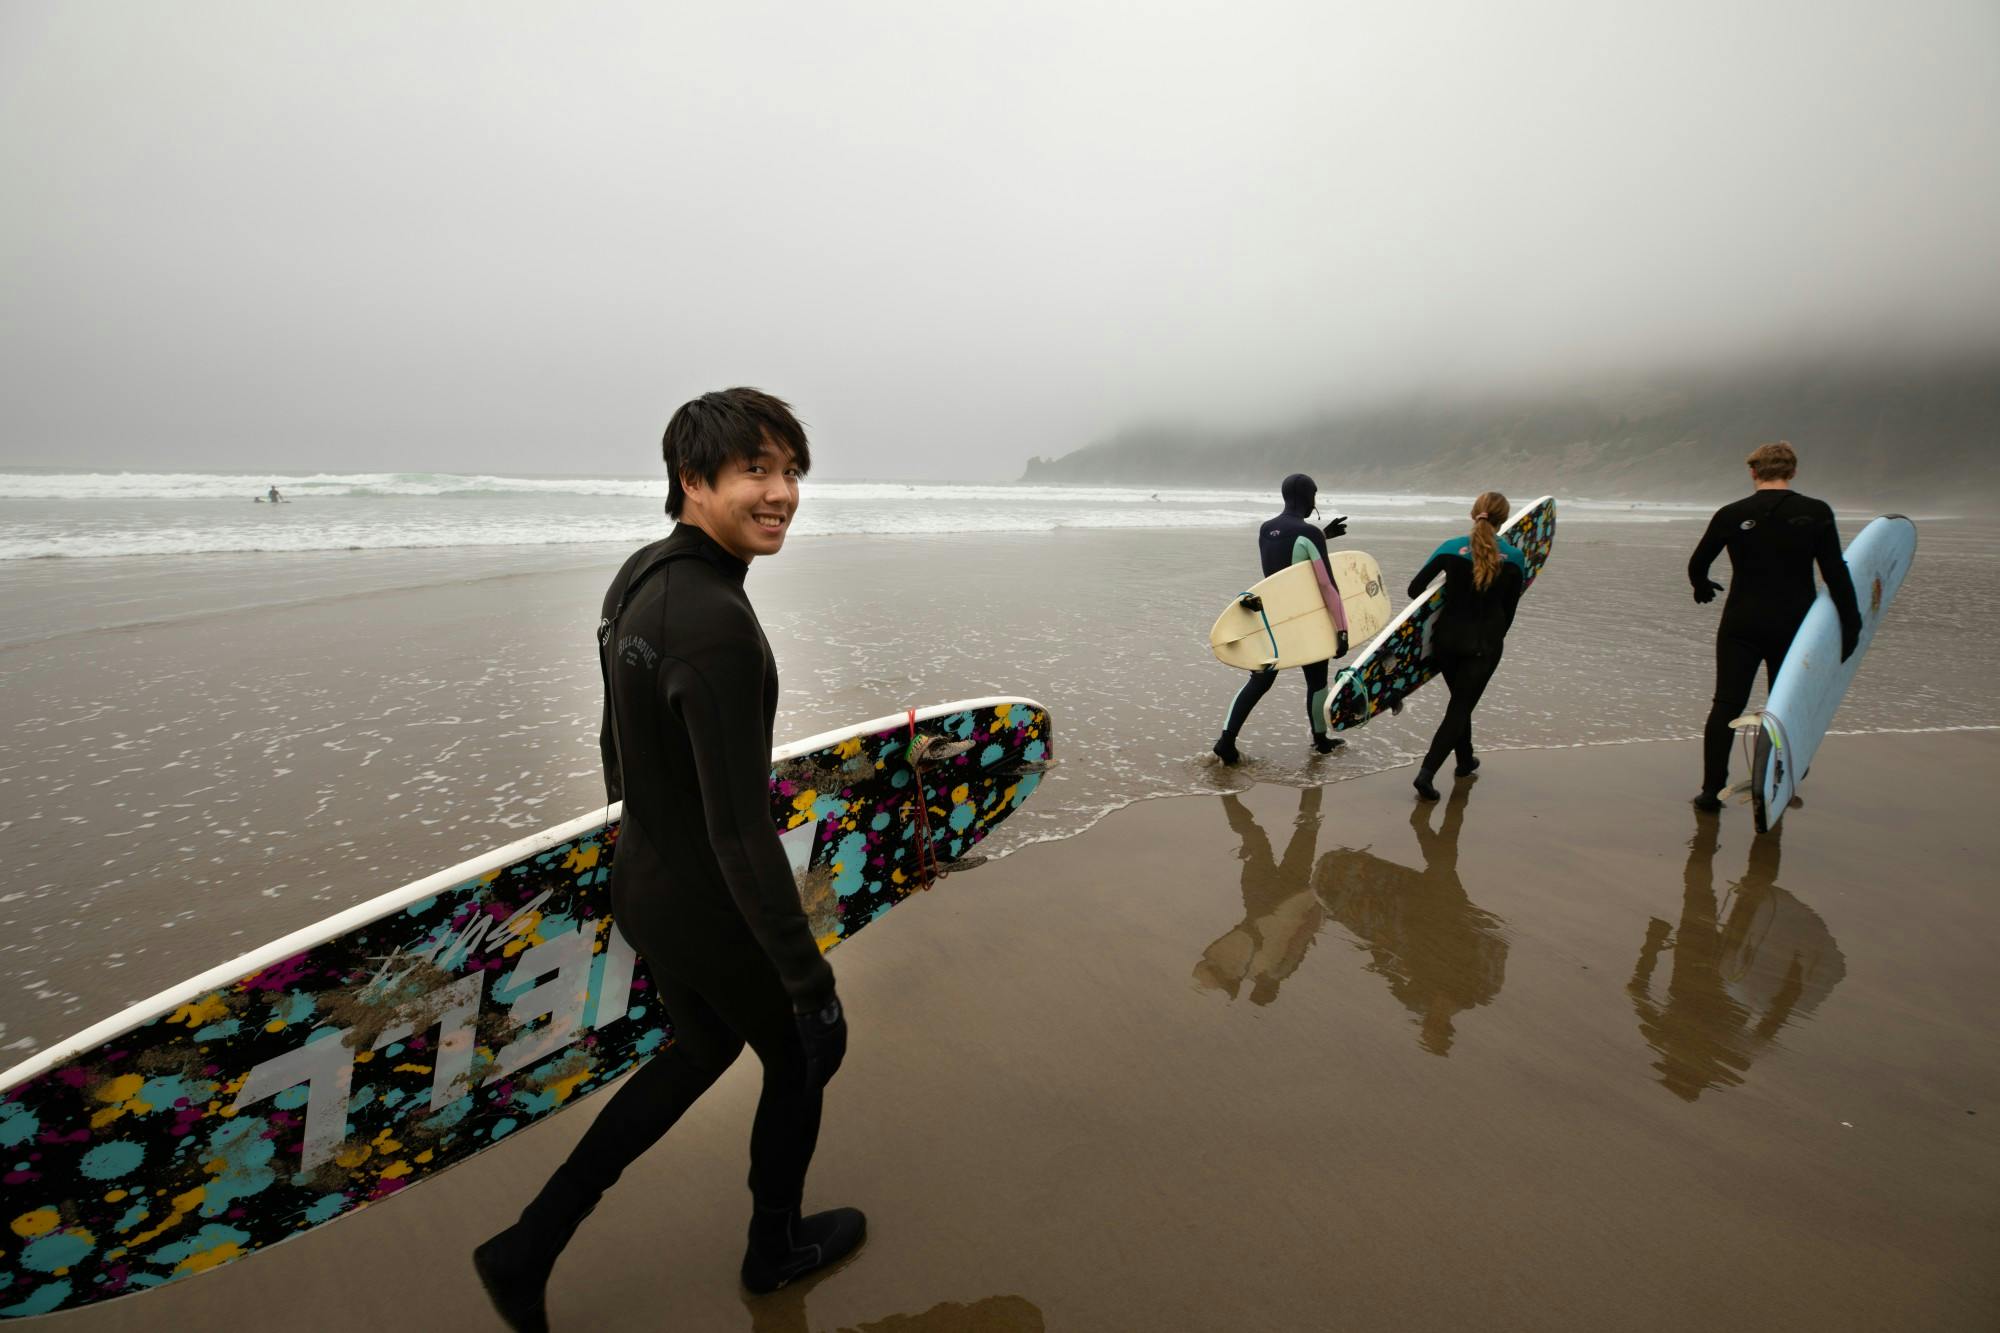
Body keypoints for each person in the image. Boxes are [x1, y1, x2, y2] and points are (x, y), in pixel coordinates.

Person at [473, 388, 862, 1331]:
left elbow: (618, 745)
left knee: (703, 1047)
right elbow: (739, 831)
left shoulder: (640, 577)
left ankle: (526, 1247)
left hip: (646, 878)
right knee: (805, 1057)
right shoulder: (717, 625)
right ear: (693, 480)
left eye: (791, 471)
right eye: (755, 471)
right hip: (706, 898)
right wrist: (808, 982)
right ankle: (775, 1249)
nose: (781, 493)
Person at [1686, 441, 1861, 812]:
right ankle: (1779, 782)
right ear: (1793, 472)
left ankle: (1709, 792)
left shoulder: (1731, 513)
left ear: (1753, 472)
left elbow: (1697, 563)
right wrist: (1852, 623)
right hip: (1795, 626)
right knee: (1786, 708)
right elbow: (1834, 572)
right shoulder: (1815, 512)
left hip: (1741, 623)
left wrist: (1701, 586)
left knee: (1726, 705)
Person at [1211, 473, 1350, 765]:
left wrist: (1323, 535)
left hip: (1273, 618)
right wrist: (1342, 629)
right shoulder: (1308, 533)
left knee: (1260, 680)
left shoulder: (1266, 529)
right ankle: (1321, 741)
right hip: (1303, 619)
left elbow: (1286, 557)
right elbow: (1327, 584)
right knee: (1316, 680)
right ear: (1309, 498)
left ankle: (1226, 741)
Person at [1405, 493, 1524, 801]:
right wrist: (1493, 638)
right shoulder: (1514, 557)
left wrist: (1448, 593)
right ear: (1503, 517)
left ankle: (1465, 760)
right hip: (1483, 644)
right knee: (1460, 706)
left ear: (1474, 513)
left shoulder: (1449, 547)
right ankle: (1426, 773)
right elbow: (1510, 609)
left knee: (1461, 701)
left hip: (1445, 641)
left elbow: (1415, 591)